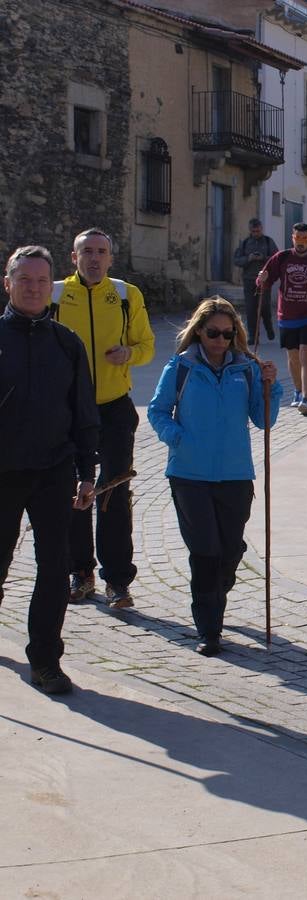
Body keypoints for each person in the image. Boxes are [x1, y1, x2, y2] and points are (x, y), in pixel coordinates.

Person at [146, 298, 281, 657]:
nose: (220, 339)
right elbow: (158, 411)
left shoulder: (246, 369)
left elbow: (263, 419)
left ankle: (219, 588)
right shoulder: (181, 367)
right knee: (205, 551)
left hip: (235, 474)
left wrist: (272, 387)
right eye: (213, 333)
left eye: (227, 333)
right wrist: (178, 438)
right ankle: (209, 629)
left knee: (229, 550)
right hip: (189, 474)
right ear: (199, 331)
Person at [0, 246, 99, 694]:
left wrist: (86, 472)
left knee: (54, 568)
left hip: (53, 471)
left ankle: (45, 660)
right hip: (2, 473)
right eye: (25, 280)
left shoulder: (66, 343)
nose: (34, 288)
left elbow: (83, 413)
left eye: (42, 281)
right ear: (9, 283)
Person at [54, 227, 155, 609]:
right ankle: (80, 572)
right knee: (74, 493)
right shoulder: (57, 294)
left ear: (111, 258)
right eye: (87, 252)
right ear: (74, 257)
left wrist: (128, 354)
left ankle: (117, 580)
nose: (94, 258)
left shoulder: (127, 295)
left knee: (113, 493)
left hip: (114, 407)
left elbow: (146, 346)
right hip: (68, 411)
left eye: (101, 252)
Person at [256, 223, 307, 416]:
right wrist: (262, 279)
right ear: (292, 238)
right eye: (297, 238)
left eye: (305, 238)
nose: (301, 242)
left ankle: (306, 399)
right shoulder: (282, 258)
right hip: (287, 316)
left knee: (305, 355)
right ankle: (298, 391)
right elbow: (263, 283)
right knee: (292, 357)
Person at [233, 218, 279, 342]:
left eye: (258, 231)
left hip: (264, 280)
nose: (256, 233)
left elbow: (277, 259)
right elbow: (236, 260)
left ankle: (269, 328)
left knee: (264, 307)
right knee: (250, 309)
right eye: (253, 231)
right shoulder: (245, 243)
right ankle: (253, 336)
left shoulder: (269, 242)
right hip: (249, 280)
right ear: (250, 230)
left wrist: (263, 258)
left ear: (261, 229)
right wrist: (249, 258)